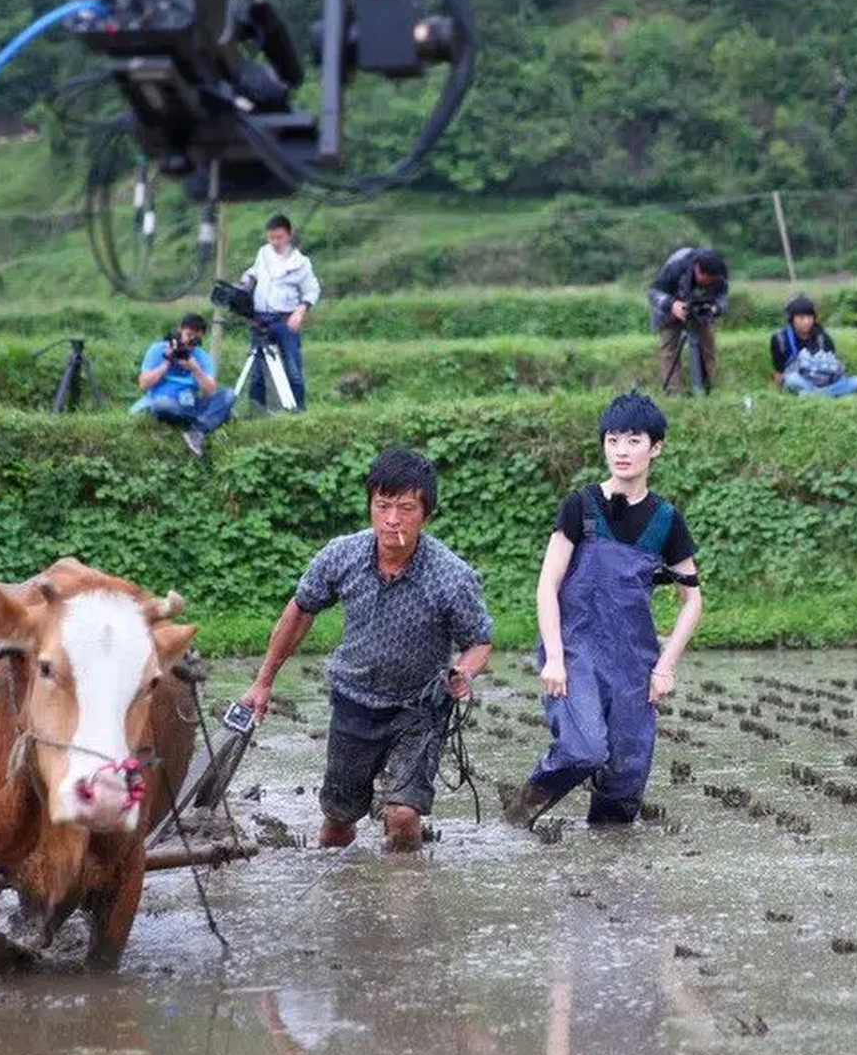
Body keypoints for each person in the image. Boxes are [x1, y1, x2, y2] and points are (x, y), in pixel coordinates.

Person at [239, 448, 493, 852]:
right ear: (370, 506)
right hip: (354, 703)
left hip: (419, 709)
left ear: (426, 514)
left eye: (406, 508)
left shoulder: (451, 576)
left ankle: (402, 906)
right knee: (337, 823)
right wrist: (263, 681)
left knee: (403, 816)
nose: (392, 520)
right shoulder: (342, 555)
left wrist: (462, 672)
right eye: (383, 506)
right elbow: (299, 612)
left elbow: (479, 640)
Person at [501, 392, 703, 828]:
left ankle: (610, 868)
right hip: (577, 652)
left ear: (656, 447)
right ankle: (519, 816)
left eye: (633, 441)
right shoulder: (581, 507)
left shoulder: (666, 520)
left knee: (625, 777)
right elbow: (547, 584)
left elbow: (693, 599)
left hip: (633, 661)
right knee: (585, 748)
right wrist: (554, 656)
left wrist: (665, 666)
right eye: (613, 440)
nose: (621, 451)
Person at [238, 213, 320, 410]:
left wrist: (301, 311)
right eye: (271, 237)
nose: (274, 241)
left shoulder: (301, 262)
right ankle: (256, 410)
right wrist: (246, 279)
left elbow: (312, 289)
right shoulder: (263, 253)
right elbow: (254, 271)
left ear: (289, 235)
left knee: (293, 368)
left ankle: (298, 411)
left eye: (279, 237)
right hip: (260, 319)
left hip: (284, 319)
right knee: (257, 370)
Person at [137, 312, 230, 456]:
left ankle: (196, 431)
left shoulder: (201, 357)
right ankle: (210, 420)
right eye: (188, 335)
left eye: (196, 339)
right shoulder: (158, 349)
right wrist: (167, 362)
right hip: (166, 402)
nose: (190, 342)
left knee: (229, 395)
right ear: (180, 330)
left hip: (190, 404)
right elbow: (143, 384)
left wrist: (195, 369)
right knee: (162, 406)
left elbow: (211, 391)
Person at [647, 245, 729, 393]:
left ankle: (709, 388)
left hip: (701, 309)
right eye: (706, 281)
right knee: (669, 348)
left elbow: (723, 297)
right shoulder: (677, 266)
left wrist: (715, 308)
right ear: (697, 270)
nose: (708, 285)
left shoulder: (720, 272)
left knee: (708, 344)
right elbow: (653, 292)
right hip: (670, 307)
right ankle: (673, 392)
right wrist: (671, 304)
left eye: (712, 283)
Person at [769, 294, 857, 397]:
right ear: (792, 319)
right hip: (801, 381)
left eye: (810, 317)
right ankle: (829, 395)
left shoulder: (823, 338)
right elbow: (778, 372)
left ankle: (812, 396)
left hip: (825, 381)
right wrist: (778, 388)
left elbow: (833, 366)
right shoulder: (780, 339)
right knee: (792, 380)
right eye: (801, 317)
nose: (807, 321)